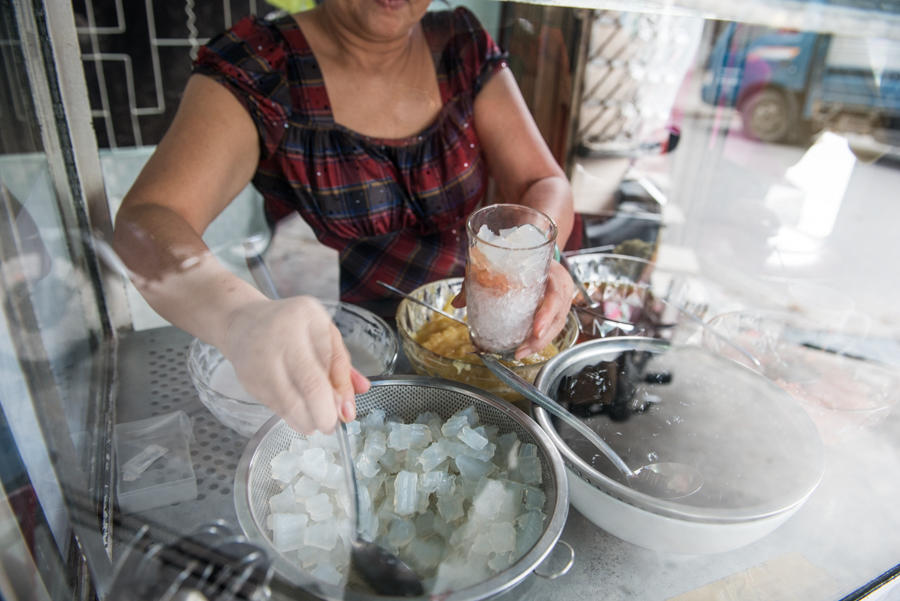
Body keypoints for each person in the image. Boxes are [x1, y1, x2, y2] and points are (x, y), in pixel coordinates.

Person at [113, 0, 576, 436]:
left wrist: (530, 259)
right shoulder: (262, 66)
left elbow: (543, 181)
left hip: (460, 350)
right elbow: (147, 220)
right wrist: (239, 318)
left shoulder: (461, 45)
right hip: (335, 364)